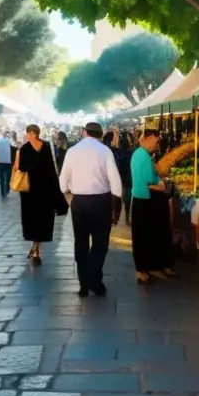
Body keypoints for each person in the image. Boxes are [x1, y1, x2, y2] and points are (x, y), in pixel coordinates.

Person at [59, 121, 123, 297]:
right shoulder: (105, 151)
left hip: (79, 202)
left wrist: (67, 190)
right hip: (101, 202)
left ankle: (84, 283)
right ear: (100, 135)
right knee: (100, 243)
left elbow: (63, 182)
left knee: (80, 242)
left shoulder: (72, 152)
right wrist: (117, 206)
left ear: (84, 132)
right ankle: (93, 278)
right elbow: (115, 181)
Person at [16, 124, 67, 264]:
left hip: (30, 191)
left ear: (29, 133)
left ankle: (35, 247)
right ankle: (38, 248)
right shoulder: (45, 146)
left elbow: (21, 167)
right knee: (43, 219)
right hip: (45, 190)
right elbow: (51, 168)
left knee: (32, 219)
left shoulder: (24, 148)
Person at [130, 129, 175, 284]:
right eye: (156, 141)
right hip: (144, 201)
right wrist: (161, 184)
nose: (156, 145)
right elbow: (149, 183)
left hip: (143, 200)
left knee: (146, 236)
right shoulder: (141, 155)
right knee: (143, 237)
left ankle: (149, 267)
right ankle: (143, 270)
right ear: (148, 138)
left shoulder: (141, 154)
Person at [0, 131, 14, 198]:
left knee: (1, 179)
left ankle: (3, 193)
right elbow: (13, 149)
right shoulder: (9, 141)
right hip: (8, 163)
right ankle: (6, 190)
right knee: (8, 179)